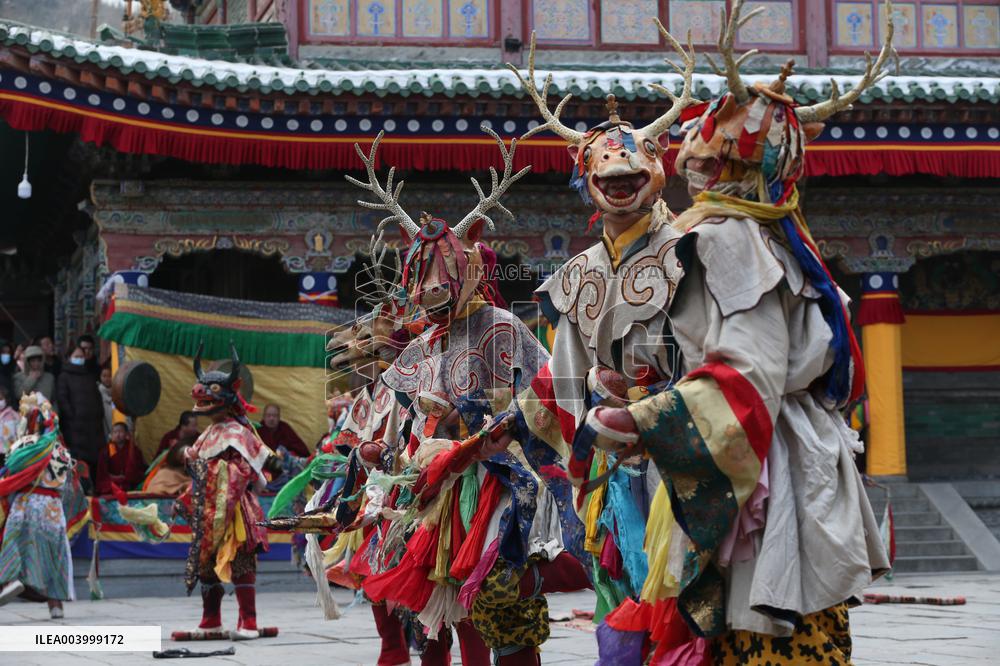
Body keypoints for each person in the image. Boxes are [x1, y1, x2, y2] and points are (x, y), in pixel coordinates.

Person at [577, 7, 894, 662]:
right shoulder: (772, 237)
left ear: (742, 170)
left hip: (757, 465)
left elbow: (746, 377)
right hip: (772, 452)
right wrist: (637, 374)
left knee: (753, 634)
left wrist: (643, 417)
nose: (691, 157)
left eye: (710, 154)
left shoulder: (731, 238)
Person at [175, 344, 269, 640]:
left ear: (228, 398)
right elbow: (202, 471)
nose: (202, 396)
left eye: (211, 391)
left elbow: (242, 471)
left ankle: (249, 622)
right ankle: (210, 621)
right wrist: (188, 496)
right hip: (209, 510)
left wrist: (211, 484)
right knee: (207, 566)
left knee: (240, 562)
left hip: (236, 509)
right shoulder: (208, 434)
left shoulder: (240, 433)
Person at [0, 393, 85, 619]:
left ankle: (9, 582)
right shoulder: (61, 451)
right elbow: (70, 486)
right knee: (53, 555)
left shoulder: (22, 445)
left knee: (14, 546)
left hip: (25, 503)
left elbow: (10, 475)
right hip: (52, 508)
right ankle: (55, 606)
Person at [55, 345, 105, 475]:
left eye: (81, 357)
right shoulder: (64, 376)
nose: (79, 359)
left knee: (95, 459)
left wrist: (99, 414)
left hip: (93, 427)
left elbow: (97, 397)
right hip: (75, 427)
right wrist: (72, 416)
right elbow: (62, 399)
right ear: (69, 358)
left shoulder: (89, 375)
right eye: (76, 357)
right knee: (79, 460)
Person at [95, 422, 146, 496]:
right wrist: (115, 477)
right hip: (112, 480)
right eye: (115, 432)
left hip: (129, 481)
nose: (118, 435)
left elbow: (138, 469)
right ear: (111, 435)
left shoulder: (133, 449)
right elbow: (102, 472)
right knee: (106, 486)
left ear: (126, 434)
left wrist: (128, 476)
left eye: (120, 431)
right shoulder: (107, 450)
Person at [0, 385, 18, 456]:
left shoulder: (14, 415)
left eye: (0, 399)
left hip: (10, 452)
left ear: (6, 399)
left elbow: (20, 432)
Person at [98, 365, 114, 438]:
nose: (107, 379)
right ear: (100, 377)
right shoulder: (99, 392)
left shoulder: (116, 391)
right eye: (104, 376)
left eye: (109, 376)